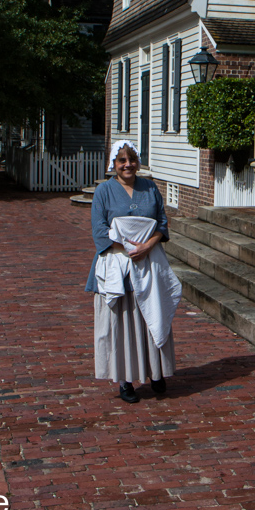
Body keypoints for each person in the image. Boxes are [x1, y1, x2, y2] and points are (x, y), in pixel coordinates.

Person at [85, 141, 181, 403]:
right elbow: (99, 230)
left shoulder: (150, 188)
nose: (128, 165)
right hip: (118, 266)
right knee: (123, 325)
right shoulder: (104, 191)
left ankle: (157, 372)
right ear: (113, 164)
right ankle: (125, 380)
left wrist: (147, 246)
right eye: (121, 160)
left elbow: (161, 222)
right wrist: (128, 247)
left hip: (149, 263)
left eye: (132, 159)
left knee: (153, 317)